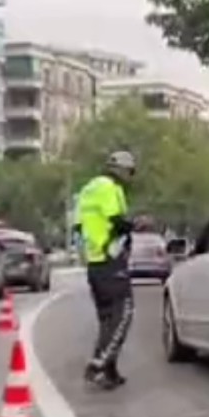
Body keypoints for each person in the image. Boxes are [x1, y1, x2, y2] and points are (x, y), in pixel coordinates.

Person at [77, 150, 137, 390]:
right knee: (124, 313)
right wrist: (136, 224)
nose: (131, 177)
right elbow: (116, 221)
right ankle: (98, 364)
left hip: (94, 262)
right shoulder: (110, 188)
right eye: (131, 172)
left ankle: (109, 372)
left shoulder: (87, 190)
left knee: (107, 319)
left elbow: (79, 227)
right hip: (110, 259)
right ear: (122, 169)